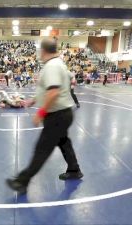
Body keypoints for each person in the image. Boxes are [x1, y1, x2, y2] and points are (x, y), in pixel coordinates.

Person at [6, 39, 83, 194]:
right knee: (63, 142)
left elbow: (53, 92)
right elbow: (49, 89)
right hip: (64, 113)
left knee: (42, 149)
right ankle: (74, 170)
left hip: (57, 115)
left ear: (43, 51)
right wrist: (32, 101)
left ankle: (22, 181)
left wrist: (40, 113)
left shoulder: (52, 66)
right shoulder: (58, 63)